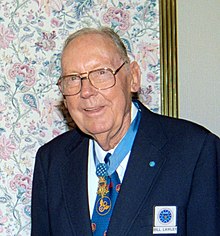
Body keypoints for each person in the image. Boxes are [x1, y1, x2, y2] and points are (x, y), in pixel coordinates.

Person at [31, 27, 220, 236]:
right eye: (73, 79)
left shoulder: (195, 151)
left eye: (101, 73)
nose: (86, 91)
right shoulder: (51, 162)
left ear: (133, 78)